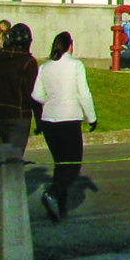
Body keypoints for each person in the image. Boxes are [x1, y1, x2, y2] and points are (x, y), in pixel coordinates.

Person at [31, 30, 96, 221]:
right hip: (69, 119)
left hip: (49, 120)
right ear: (70, 45)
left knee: (60, 165)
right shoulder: (76, 65)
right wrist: (91, 117)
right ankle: (52, 193)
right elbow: (84, 93)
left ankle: (61, 208)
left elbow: (36, 94)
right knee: (73, 165)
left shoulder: (45, 67)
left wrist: (51, 101)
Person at [0, 23, 38, 152]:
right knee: (13, 158)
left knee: (1, 158)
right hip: (18, 115)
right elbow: (32, 93)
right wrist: (40, 119)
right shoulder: (28, 62)